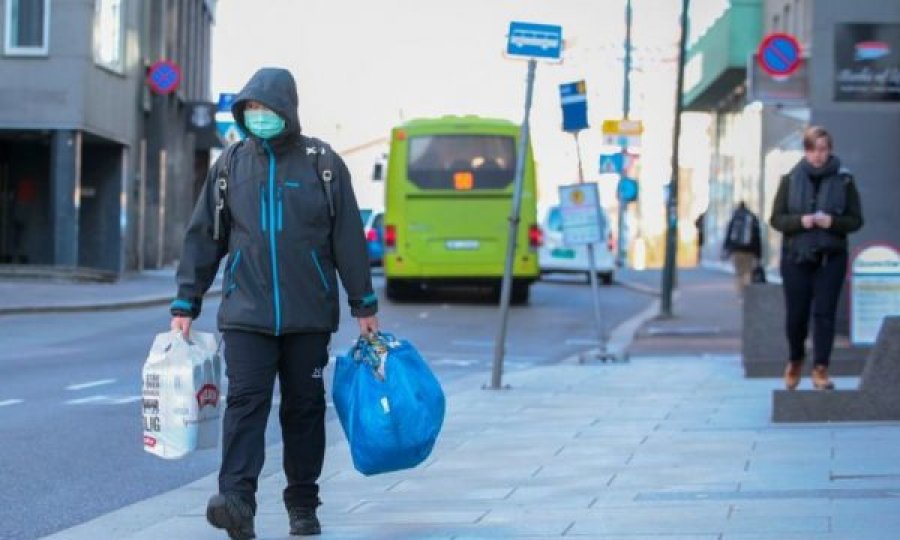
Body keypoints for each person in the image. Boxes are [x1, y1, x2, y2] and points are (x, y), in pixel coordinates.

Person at [170, 67, 379, 539]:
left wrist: (363, 304)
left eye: (266, 109)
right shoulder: (230, 166)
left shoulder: (322, 163)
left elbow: (347, 237)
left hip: (308, 315)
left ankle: (303, 504)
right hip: (246, 313)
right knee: (245, 403)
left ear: (287, 109)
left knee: (304, 408)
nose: (259, 116)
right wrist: (186, 302)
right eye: (251, 110)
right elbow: (205, 236)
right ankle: (237, 501)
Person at [769, 126, 863, 391]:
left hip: (830, 257)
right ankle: (796, 359)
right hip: (796, 257)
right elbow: (776, 219)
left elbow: (856, 220)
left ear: (829, 150)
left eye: (822, 149)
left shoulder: (845, 180)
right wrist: (802, 221)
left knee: (824, 314)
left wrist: (832, 221)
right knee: (796, 316)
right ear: (805, 151)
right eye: (812, 149)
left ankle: (821, 368)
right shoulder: (790, 179)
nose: (817, 155)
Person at [722, 201, 762, 296]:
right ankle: (747, 294)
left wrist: (726, 249)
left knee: (739, 273)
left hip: (736, 251)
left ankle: (740, 293)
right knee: (748, 272)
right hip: (750, 251)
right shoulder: (752, 217)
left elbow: (728, 235)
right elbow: (757, 237)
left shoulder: (735, 218)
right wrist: (758, 254)